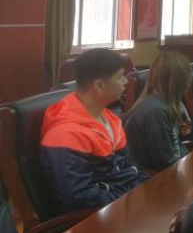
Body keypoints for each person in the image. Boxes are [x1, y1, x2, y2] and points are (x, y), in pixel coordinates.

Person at [40, 49, 148, 213]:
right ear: (99, 85)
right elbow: (80, 199)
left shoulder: (110, 120)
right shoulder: (65, 134)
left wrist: (147, 190)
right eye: (120, 76)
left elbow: (130, 170)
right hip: (94, 219)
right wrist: (130, 201)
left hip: (122, 205)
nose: (126, 81)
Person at [124, 51, 193, 172]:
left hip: (175, 167)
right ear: (180, 80)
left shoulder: (166, 104)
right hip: (157, 177)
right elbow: (165, 162)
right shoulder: (156, 112)